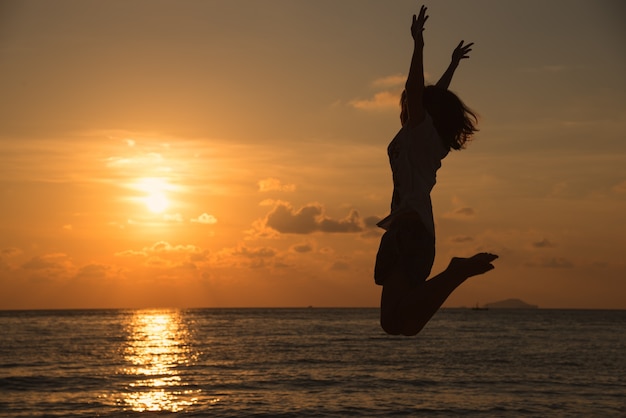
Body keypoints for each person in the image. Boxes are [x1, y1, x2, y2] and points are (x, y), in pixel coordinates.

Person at [375, 5, 498, 336]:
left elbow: (418, 92)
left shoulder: (420, 131)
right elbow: (433, 96)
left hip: (410, 228)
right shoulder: (428, 137)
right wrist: (453, 65)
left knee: (396, 322)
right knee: (402, 323)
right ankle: (455, 272)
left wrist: (418, 45)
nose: (406, 104)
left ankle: (456, 272)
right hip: (414, 228)